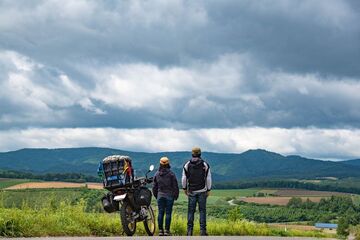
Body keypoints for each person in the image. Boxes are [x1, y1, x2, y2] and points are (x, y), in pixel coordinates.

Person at [182, 147, 212, 236]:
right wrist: (209, 189)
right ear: (200, 154)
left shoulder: (187, 164)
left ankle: (189, 231)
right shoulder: (205, 164)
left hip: (191, 191)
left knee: (191, 211)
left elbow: (184, 178)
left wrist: (184, 188)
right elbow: (208, 178)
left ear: (192, 154)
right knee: (202, 211)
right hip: (202, 190)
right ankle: (203, 231)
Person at [152, 156, 179, 236]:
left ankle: (160, 231)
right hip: (169, 196)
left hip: (160, 195)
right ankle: (167, 231)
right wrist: (176, 195)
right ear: (168, 164)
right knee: (168, 213)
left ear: (160, 164)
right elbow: (175, 186)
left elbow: (154, 187)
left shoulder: (156, 174)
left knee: (160, 213)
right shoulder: (171, 174)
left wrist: (156, 195)